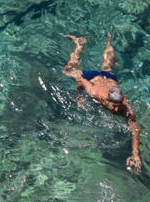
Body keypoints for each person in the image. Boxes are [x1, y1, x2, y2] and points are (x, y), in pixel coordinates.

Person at [61, 34, 142, 174]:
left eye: (119, 105)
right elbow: (80, 82)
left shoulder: (126, 109)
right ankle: (79, 45)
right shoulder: (95, 93)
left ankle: (109, 40)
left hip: (109, 78)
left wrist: (135, 154)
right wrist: (78, 96)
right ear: (106, 100)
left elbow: (135, 130)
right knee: (69, 70)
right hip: (91, 78)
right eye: (114, 105)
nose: (116, 109)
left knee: (108, 65)